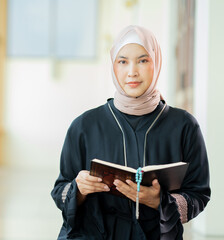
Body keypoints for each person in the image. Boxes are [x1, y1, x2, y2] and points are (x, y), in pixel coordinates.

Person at [51, 25, 210, 240]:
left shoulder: (184, 125)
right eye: (123, 61)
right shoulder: (84, 125)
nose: (132, 71)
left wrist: (160, 202)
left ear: (157, 63)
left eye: (143, 60)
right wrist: (78, 189)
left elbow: (199, 194)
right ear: (113, 66)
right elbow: (60, 189)